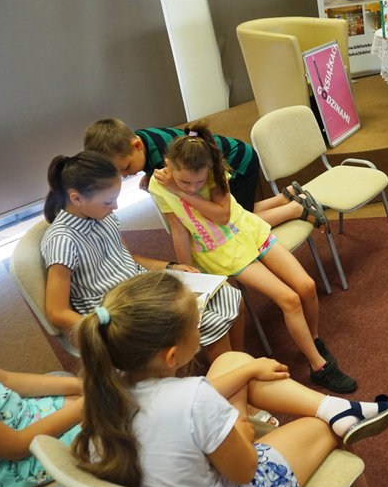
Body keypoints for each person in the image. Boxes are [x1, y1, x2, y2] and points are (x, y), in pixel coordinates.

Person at [73, 272, 388, 487]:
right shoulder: (193, 398)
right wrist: (241, 430)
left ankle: (338, 409)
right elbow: (244, 472)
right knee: (321, 427)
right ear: (171, 356)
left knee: (232, 361)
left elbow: (183, 409)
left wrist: (249, 369)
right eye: (197, 322)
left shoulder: (106, 392)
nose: (200, 327)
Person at [147, 122, 355, 393]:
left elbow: (222, 215)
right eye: (185, 181)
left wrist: (181, 191)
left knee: (305, 287)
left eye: (199, 181)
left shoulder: (212, 171)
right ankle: (319, 367)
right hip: (221, 253)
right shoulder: (158, 185)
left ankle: (312, 340)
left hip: (247, 230)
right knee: (289, 299)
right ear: (167, 164)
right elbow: (178, 229)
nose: (193, 186)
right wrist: (185, 267)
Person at [40, 151, 243, 361]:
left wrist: (171, 266)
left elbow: (130, 257)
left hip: (142, 291)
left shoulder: (102, 217)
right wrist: (103, 330)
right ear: (76, 198)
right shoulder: (62, 240)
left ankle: (238, 363)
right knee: (207, 321)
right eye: (108, 202)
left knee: (228, 295)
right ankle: (233, 373)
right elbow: (57, 311)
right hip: (118, 312)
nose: (115, 207)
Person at [84, 118, 261, 212]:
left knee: (239, 219)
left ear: (137, 146)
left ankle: (288, 204)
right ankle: (287, 198)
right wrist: (148, 174)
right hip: (225, 161)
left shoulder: (164, 153)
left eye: (126, 168)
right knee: (239, 212)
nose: (124, 175)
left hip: (238, 161)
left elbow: (188, 190)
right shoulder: (138, 142)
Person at [0, 368, 82, 487]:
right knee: (106, 424)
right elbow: (17, 447)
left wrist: (81, 385)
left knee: (98, 401)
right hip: (15, 459)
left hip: (24, 413)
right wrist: (86, 405)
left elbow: (6, 380)